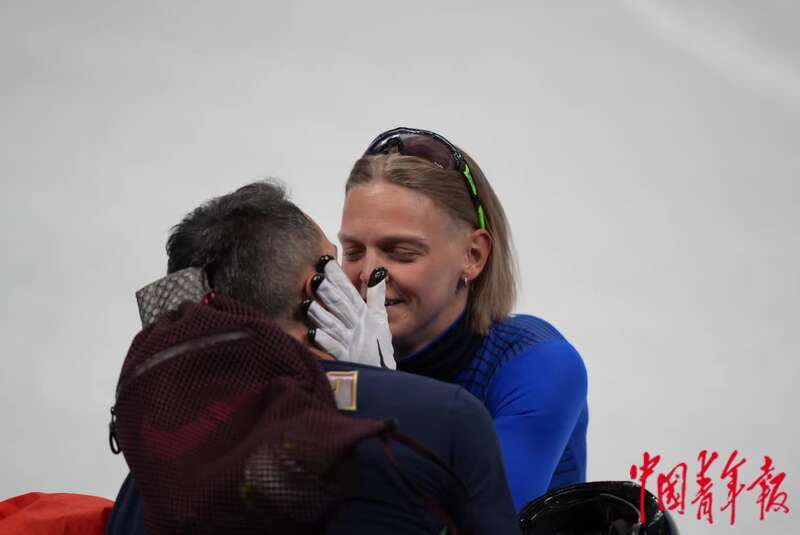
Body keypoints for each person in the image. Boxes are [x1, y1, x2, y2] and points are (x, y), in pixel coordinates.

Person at [106, 180, 519, 535]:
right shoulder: (446, 417)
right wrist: (378, 392)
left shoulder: (155, 467)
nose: (359, 280)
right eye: (338, 263)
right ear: (316, 289)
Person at [308, 127, 589, 511]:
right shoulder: (326, 349)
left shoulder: (537, 364)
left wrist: (375, 395)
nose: (368, 274)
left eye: (401, 252)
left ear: (473, 256)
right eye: (353, 251)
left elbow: (479, 520)